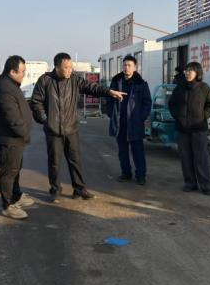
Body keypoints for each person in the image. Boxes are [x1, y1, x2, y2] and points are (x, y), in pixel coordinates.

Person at [30, 52, 126, 202]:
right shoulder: (45, 80)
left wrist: (109, 92)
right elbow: (36, 102)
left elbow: (92, 87)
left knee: (75, 160)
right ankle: (55, 190)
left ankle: (79, 189)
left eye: (71, 67)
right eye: (66, 68)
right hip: (53, 130)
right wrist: (46, 120)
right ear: (57, 67)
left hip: (71, 129)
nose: (69, 70)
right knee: (54, 162)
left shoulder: (74, 80)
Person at [0, 56, 35, 219]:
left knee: (15, 169)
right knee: (9, 172)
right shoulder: (5, 87)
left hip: (15, 139)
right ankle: (8, 205)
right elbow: (12, 117)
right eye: (22, 72)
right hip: (10, 139)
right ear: (12, 71)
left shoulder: (11, 84)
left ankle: (16, 196)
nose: (24, 75)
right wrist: (24, 132)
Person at [168, 61, 210, 195]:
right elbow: (171, 104)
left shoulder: (204, 88)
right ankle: (190, 183)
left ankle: (205, 185)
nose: (187, 73)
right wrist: (177, 116)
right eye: (186, 71)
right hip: (182, 129)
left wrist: (204, 116)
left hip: (198, 128)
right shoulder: (180, 88)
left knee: (201, 158)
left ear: (197, 72)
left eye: (190, 71)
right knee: (185, 158)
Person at [108, 55, 152, 185]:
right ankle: (126, 173)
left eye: (129, 65)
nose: (126, 68)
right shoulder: (116, 82)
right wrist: (111, 114)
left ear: (135, 67)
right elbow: (108, 99)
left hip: (135, 123)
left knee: (138, 151)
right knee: (122, 151)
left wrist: (141, 117)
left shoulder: (141, 84)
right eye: (124, 65)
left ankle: (141, 176)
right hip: (120, 123)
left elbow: (147, 102)